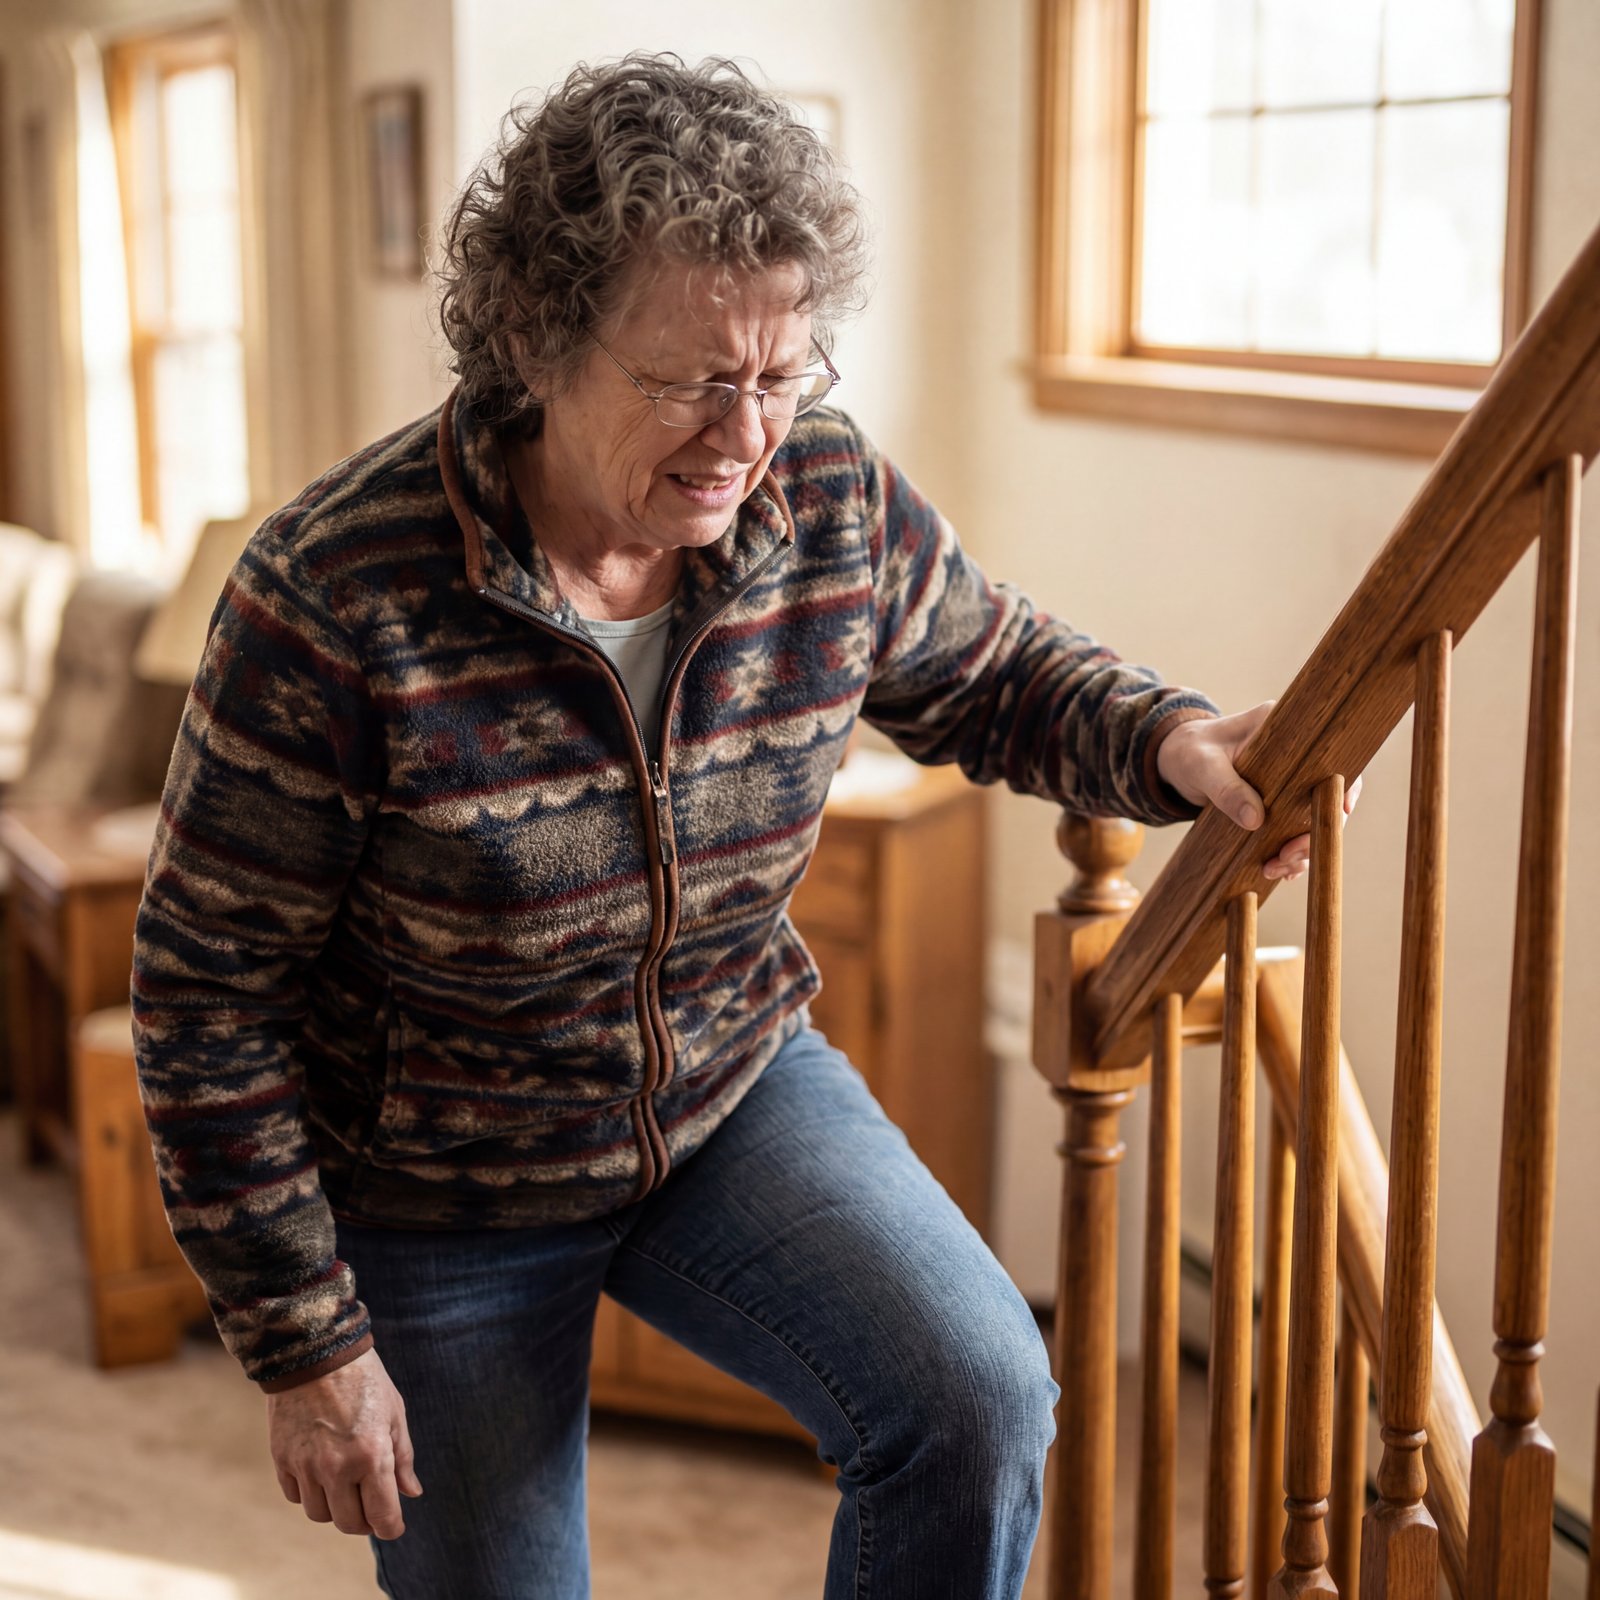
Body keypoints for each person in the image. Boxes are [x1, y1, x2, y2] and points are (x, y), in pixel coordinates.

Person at [131, 52, 1327, 1600]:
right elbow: (204, 992)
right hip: (442, 1187)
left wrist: (1167, 739)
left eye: (781, 375)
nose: (741, 433)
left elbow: (995, 669)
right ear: (536, 346)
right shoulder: (333, 597)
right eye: (692, 379)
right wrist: (305, 1340)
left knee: (977, 1401)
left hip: (728, 1090)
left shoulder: (822, 501)